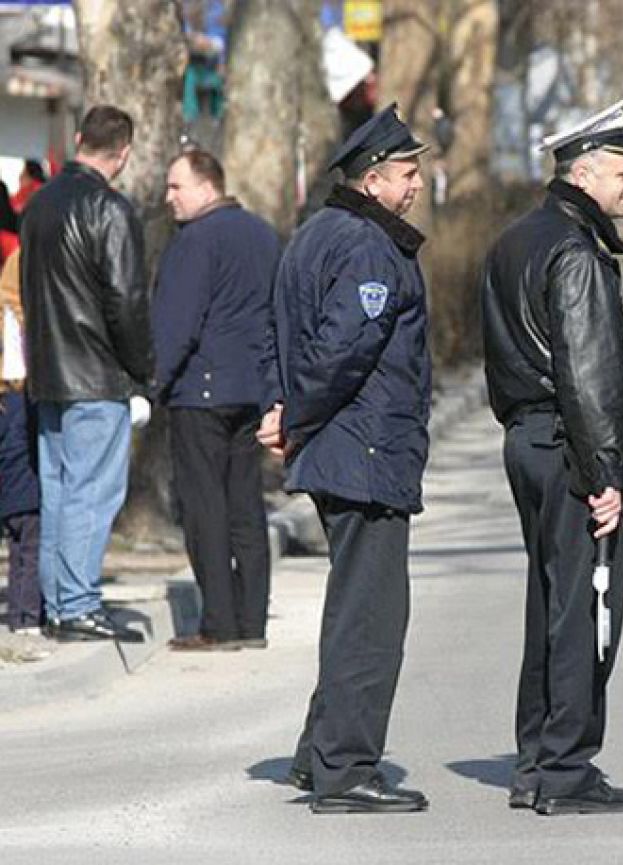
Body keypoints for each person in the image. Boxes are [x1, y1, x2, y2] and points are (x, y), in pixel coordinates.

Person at [258, 104, 432, 814]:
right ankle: (344, 769)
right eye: (408, 173)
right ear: (372, 181)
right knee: (372, 618)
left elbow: (283, 339)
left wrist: (283, 410)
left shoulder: (315, 234)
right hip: (364, 450)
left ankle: (318, 752)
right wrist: (294, 416)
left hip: (344, 448)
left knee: (354, 606)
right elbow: (341, 350)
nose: (417, 183)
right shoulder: (366, 247)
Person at [481, 99, 623, 816]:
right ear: (582, 171)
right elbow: (585, 371)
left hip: (529, 437)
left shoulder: (517, 238)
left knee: (550, 602)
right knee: (584, 605)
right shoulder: (575, 251)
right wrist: (601, 471)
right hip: (567, 441)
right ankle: (565, 766)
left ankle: (535, 760)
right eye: (622, 172)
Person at [20, 105, 150, 643]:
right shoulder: (109, 209)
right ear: (122, 154)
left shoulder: (38, 205)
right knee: (92, 494)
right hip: (95, 373)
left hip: (48, 370)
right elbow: (126, 301)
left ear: (77, 139)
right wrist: (144, 371)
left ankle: (58, 603)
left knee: (58, 491)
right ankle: (77, 604)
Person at [153, 149, 277, 652]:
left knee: (205, 511)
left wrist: (153, 385)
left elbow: (176, 325)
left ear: (207, 187)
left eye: (175, 187)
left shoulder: (194, 242)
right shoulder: (264, 236)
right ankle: (251, 621)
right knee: (246, 508)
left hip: (200, 393)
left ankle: (219, 624)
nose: (168, 198)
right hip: (249, 392)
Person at [0, 244, 40, 636]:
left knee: (19, 533)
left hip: (12, 407)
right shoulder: (16, 323)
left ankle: (20, 612)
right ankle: (27, 614)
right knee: (30, 529)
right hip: (19, 404)